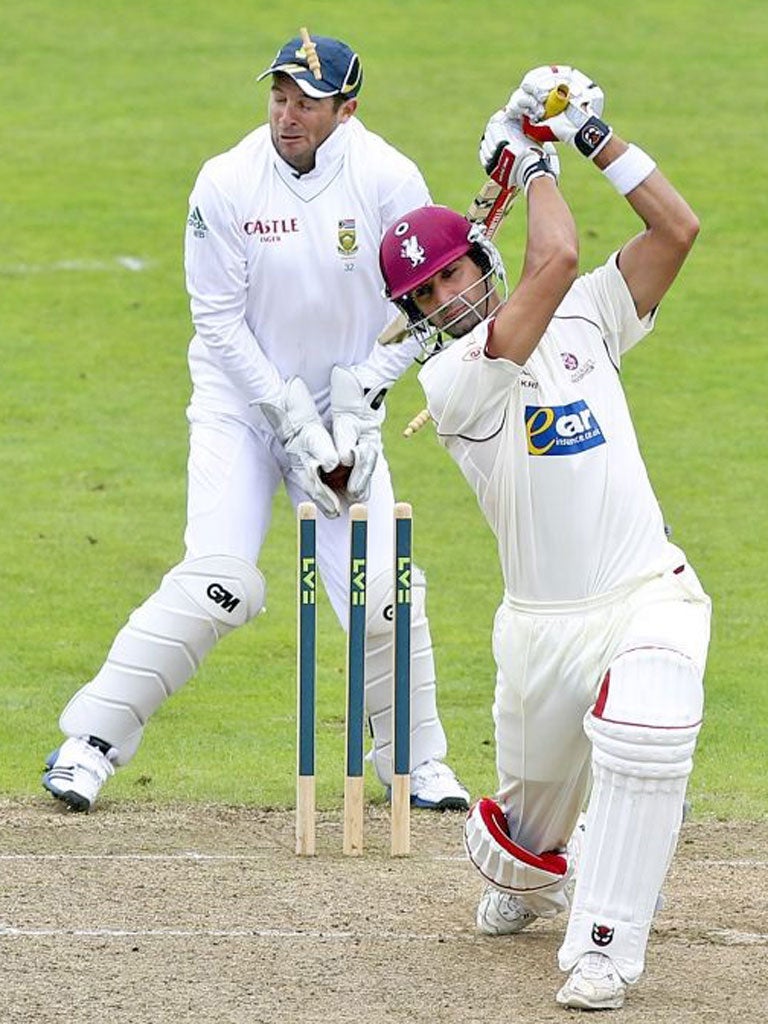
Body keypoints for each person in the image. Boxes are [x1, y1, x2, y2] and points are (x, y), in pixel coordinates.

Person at [42, 31, 469, 814]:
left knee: (384, 594)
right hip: (242, 410)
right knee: (219, 583)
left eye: (308, 101)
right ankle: (89, 744)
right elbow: (217, 318)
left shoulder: (387, 177)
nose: (288, 115)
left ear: (349, 108)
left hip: (343, 415)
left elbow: (425, 300)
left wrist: (361, 410)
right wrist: (291, 419)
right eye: (279, 96)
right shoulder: (228, 180)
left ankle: (415, 762)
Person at [378, 65, 710, 1010]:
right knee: (528, 832)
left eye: (451, 274)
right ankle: (527, 871)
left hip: (647, 589)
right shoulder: (454, 386)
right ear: (416, 317)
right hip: (540, 631)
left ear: (478, 260)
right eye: (425, 295)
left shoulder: (590, 318)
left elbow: (674, 231)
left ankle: (603, 948)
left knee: (647, 737)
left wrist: (592, 135)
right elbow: (554, 258)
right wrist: (531, 160)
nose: (446, 298)